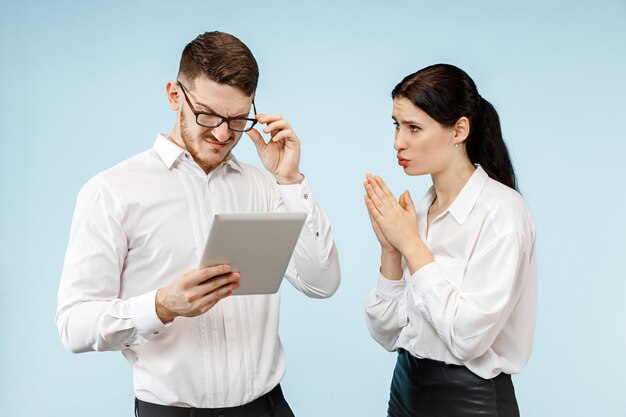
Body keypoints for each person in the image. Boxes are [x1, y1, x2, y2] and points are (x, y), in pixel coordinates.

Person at [56, 31, 340, 417]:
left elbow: (321, 283)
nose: (223, 134)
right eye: (207, 115)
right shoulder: (112, 192)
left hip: (268, 408)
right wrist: (160, 306)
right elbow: (74, 325)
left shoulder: (265, 187)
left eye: (238, 119)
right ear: (175, 96)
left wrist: (290, 181)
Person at [363, 64, 536, 417]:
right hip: (405, 390)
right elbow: (388, 334)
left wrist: (411, 245)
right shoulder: (420, 212)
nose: (398, 142)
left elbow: (468, 338)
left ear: (459, 130)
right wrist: (392, 252)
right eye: (397, 125)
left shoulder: (502, 214)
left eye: (414, 128)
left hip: (471, 401)